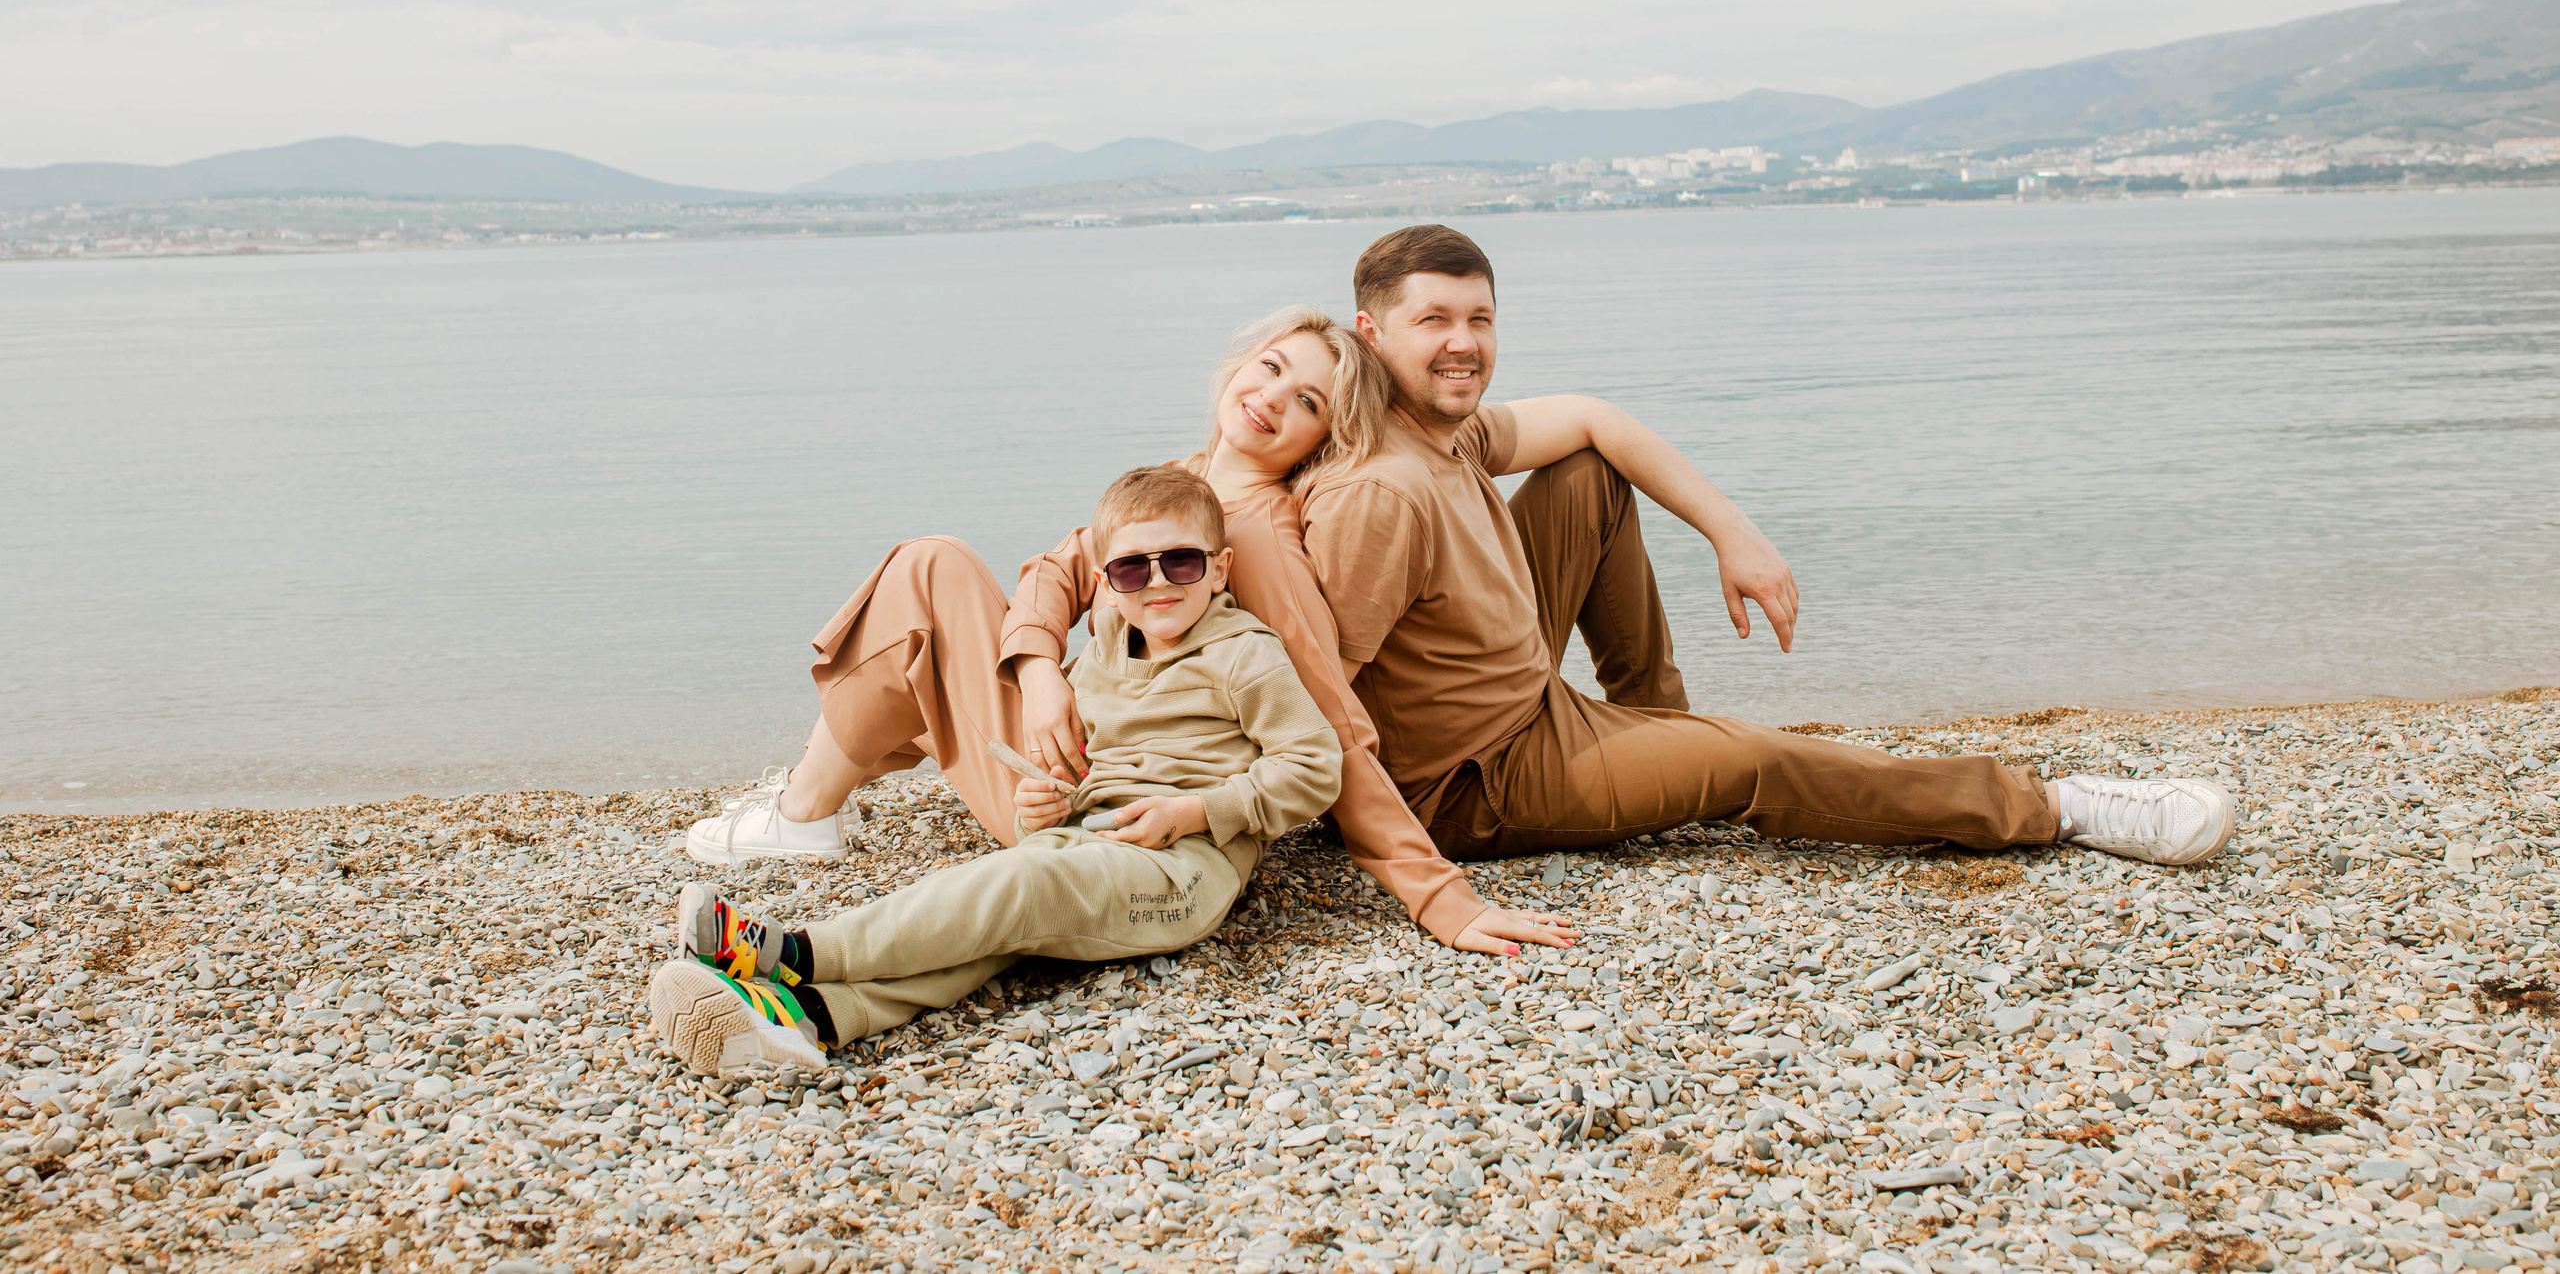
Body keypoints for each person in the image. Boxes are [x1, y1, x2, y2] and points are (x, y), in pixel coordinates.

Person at [1297, 223, 2238, 868]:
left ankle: (1655, 727)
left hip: (1515, 689)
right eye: (1435, 321)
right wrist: (1398, 856)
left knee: (1587, 473)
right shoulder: (1380, 490)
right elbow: (1321, 690)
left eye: (1481, 318)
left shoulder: (1438, 425)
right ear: (1372, 334)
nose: (1464, 344)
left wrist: (1732, 532)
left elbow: (1594, 418)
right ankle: (2054, 808)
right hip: (1478, 779)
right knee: (1753, 760)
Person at [682, 304, 1576, 957]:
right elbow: (1060, 566)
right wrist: (1037, 672)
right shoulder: (1183, 480)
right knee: (938, 565)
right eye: (1269, 367)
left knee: (923, 582)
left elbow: (1331, 717)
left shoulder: (1252, 534)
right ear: (1237, 364)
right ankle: (806, 801)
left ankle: (801, 811)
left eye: (1306, 402)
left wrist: (1441, 899)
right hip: (1069, 734)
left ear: (1320, 439)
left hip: (1093, 793)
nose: (1272, 398)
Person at [647, 464, 1343, 1073]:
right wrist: (1043, 807)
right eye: (1134, 568)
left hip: (1183, 869)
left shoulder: (1243, 653)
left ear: (1218, 568)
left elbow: (1315, 766)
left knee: (1020, 883)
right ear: (1106, 582)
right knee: (991, 929)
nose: (1158, 581)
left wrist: (1195, 810)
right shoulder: (1106, 649)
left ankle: (794, 952)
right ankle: (807, 1018)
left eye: (1181, 563)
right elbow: (1090, 779)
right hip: (1089, 839)